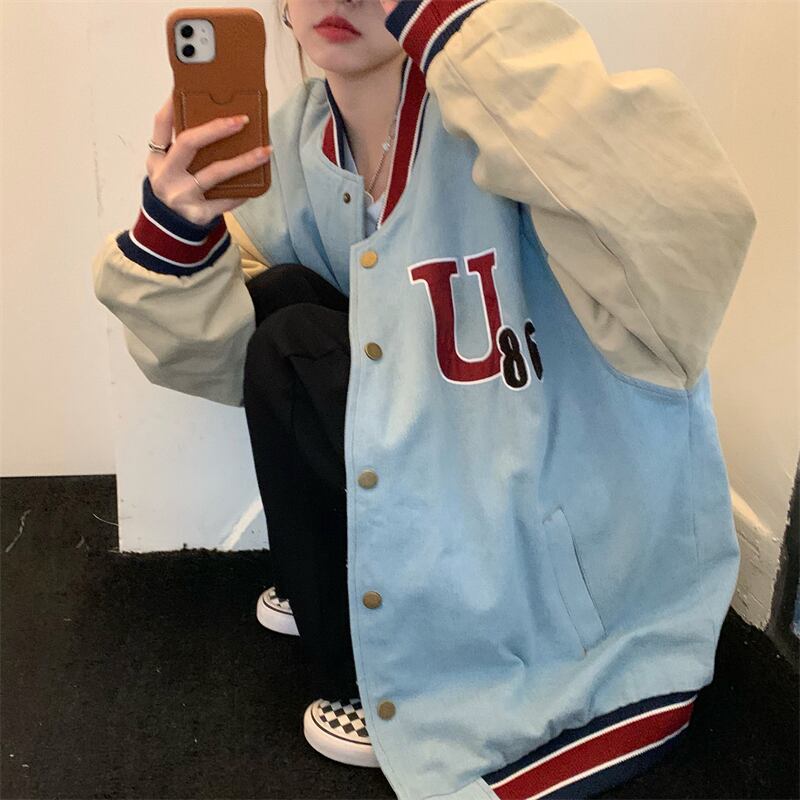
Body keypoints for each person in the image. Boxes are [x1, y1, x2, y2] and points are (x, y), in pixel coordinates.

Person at [91, 0, 758, 797]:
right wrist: (175, 230)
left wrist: (459, 28)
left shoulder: (513, 117)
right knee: (282, 309)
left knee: (296, 336)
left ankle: (392, 667)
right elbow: (220, 358)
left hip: (552, 529)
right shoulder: (295, 146)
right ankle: (336, 592)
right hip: (445, 462)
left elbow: (688, 249)